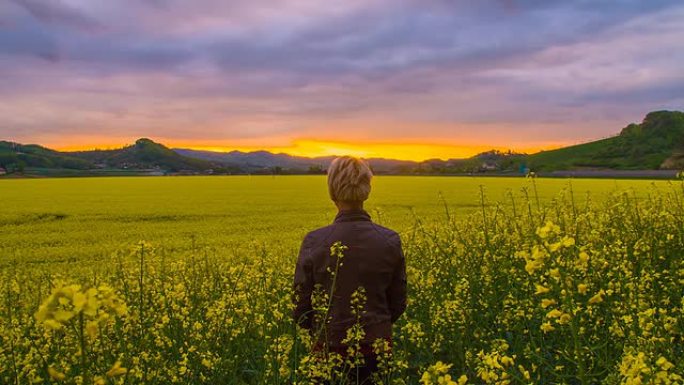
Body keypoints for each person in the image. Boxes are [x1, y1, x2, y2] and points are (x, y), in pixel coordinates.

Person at [293, 156, 407, 384]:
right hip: (376, 349)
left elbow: (300, 307)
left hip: (328, 348)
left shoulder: (315, 241)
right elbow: (397, 304)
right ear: (367, 189)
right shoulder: (389, 240)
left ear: (332, 191)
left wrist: (320, 330)